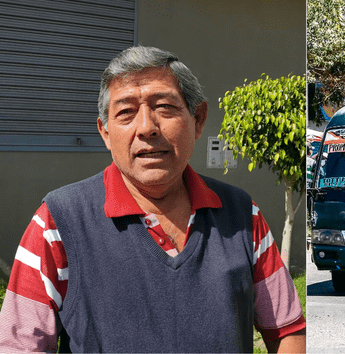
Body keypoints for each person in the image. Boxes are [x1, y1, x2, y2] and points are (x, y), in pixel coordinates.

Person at [0, 46, 306, 353]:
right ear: (105, 132)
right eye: (126, 112)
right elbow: (18, 346)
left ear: (198, 120)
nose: (147, 127)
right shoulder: (56, 224)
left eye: (164, 107)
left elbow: (287, 330)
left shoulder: (241, 215)